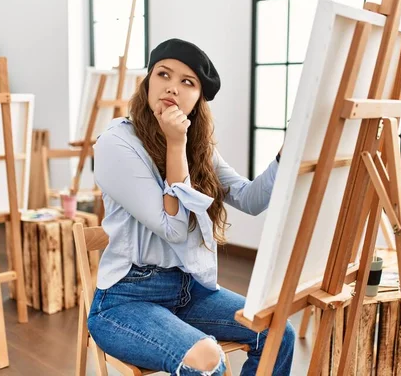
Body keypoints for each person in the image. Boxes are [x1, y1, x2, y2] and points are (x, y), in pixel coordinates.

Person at [88, 38, 295, 376]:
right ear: (148, 81)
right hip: (126, 302)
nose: (172, 88)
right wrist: (175, 143)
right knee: (207, 361)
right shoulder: (115, 145)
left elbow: (251, 199)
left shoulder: (198, 149)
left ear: (198, 98)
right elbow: (173, 228)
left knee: (277, 333)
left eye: (187, 82)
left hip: (188, 292)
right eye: (163, 74)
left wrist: (289, 152)